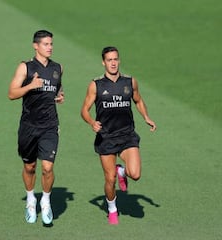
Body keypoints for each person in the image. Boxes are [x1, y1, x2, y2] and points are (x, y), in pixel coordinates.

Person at [81, 46, 156, 224]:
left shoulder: (130, 82)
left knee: (135, 174)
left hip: (127, 135)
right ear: (103, 62)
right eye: (109, 60)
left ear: (119, 60)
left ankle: (122, 169)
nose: (113, 63)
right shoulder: (96, 85)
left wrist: (146, 116)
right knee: (110, 179)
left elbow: (138, 100)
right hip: (106, 137)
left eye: (115, 59)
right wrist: (92, 122)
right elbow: (84, 110)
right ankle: (112, 208)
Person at [8, 30, 64, 225]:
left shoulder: (58, 68)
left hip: (50, 126)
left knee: (47, 167)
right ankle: (31, 199)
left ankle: (46, 202)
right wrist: (30, 86)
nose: (50, 47)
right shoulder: (25, 67)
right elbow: (12, 93)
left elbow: (57, 88)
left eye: (51, 44)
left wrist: (59, 95)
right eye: (46, 44)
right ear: (35, 46)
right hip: (28, 126)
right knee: (29, 166)